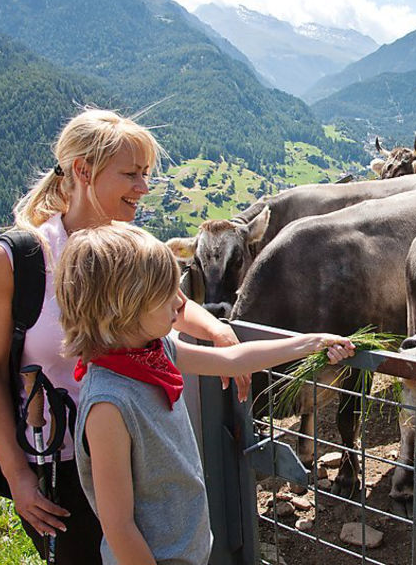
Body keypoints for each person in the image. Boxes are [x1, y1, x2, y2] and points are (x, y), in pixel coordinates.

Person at [0, 108, 244, 563]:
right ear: (83, 171)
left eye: (146, 175)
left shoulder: (127, 244)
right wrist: (17, 475)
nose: (143, 188)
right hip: (60, 471)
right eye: (131, 174)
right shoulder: (18, 259)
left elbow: (168, 302)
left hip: (140, 461)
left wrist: (217, 329)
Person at [56, 223, 354, 564]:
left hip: (189, 551)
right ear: (123, 307)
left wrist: (311, 342)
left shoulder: (155, 353)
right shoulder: (108, 406)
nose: (181, 301)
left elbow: (230, 360)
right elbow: (119, 527)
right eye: (166, 292)